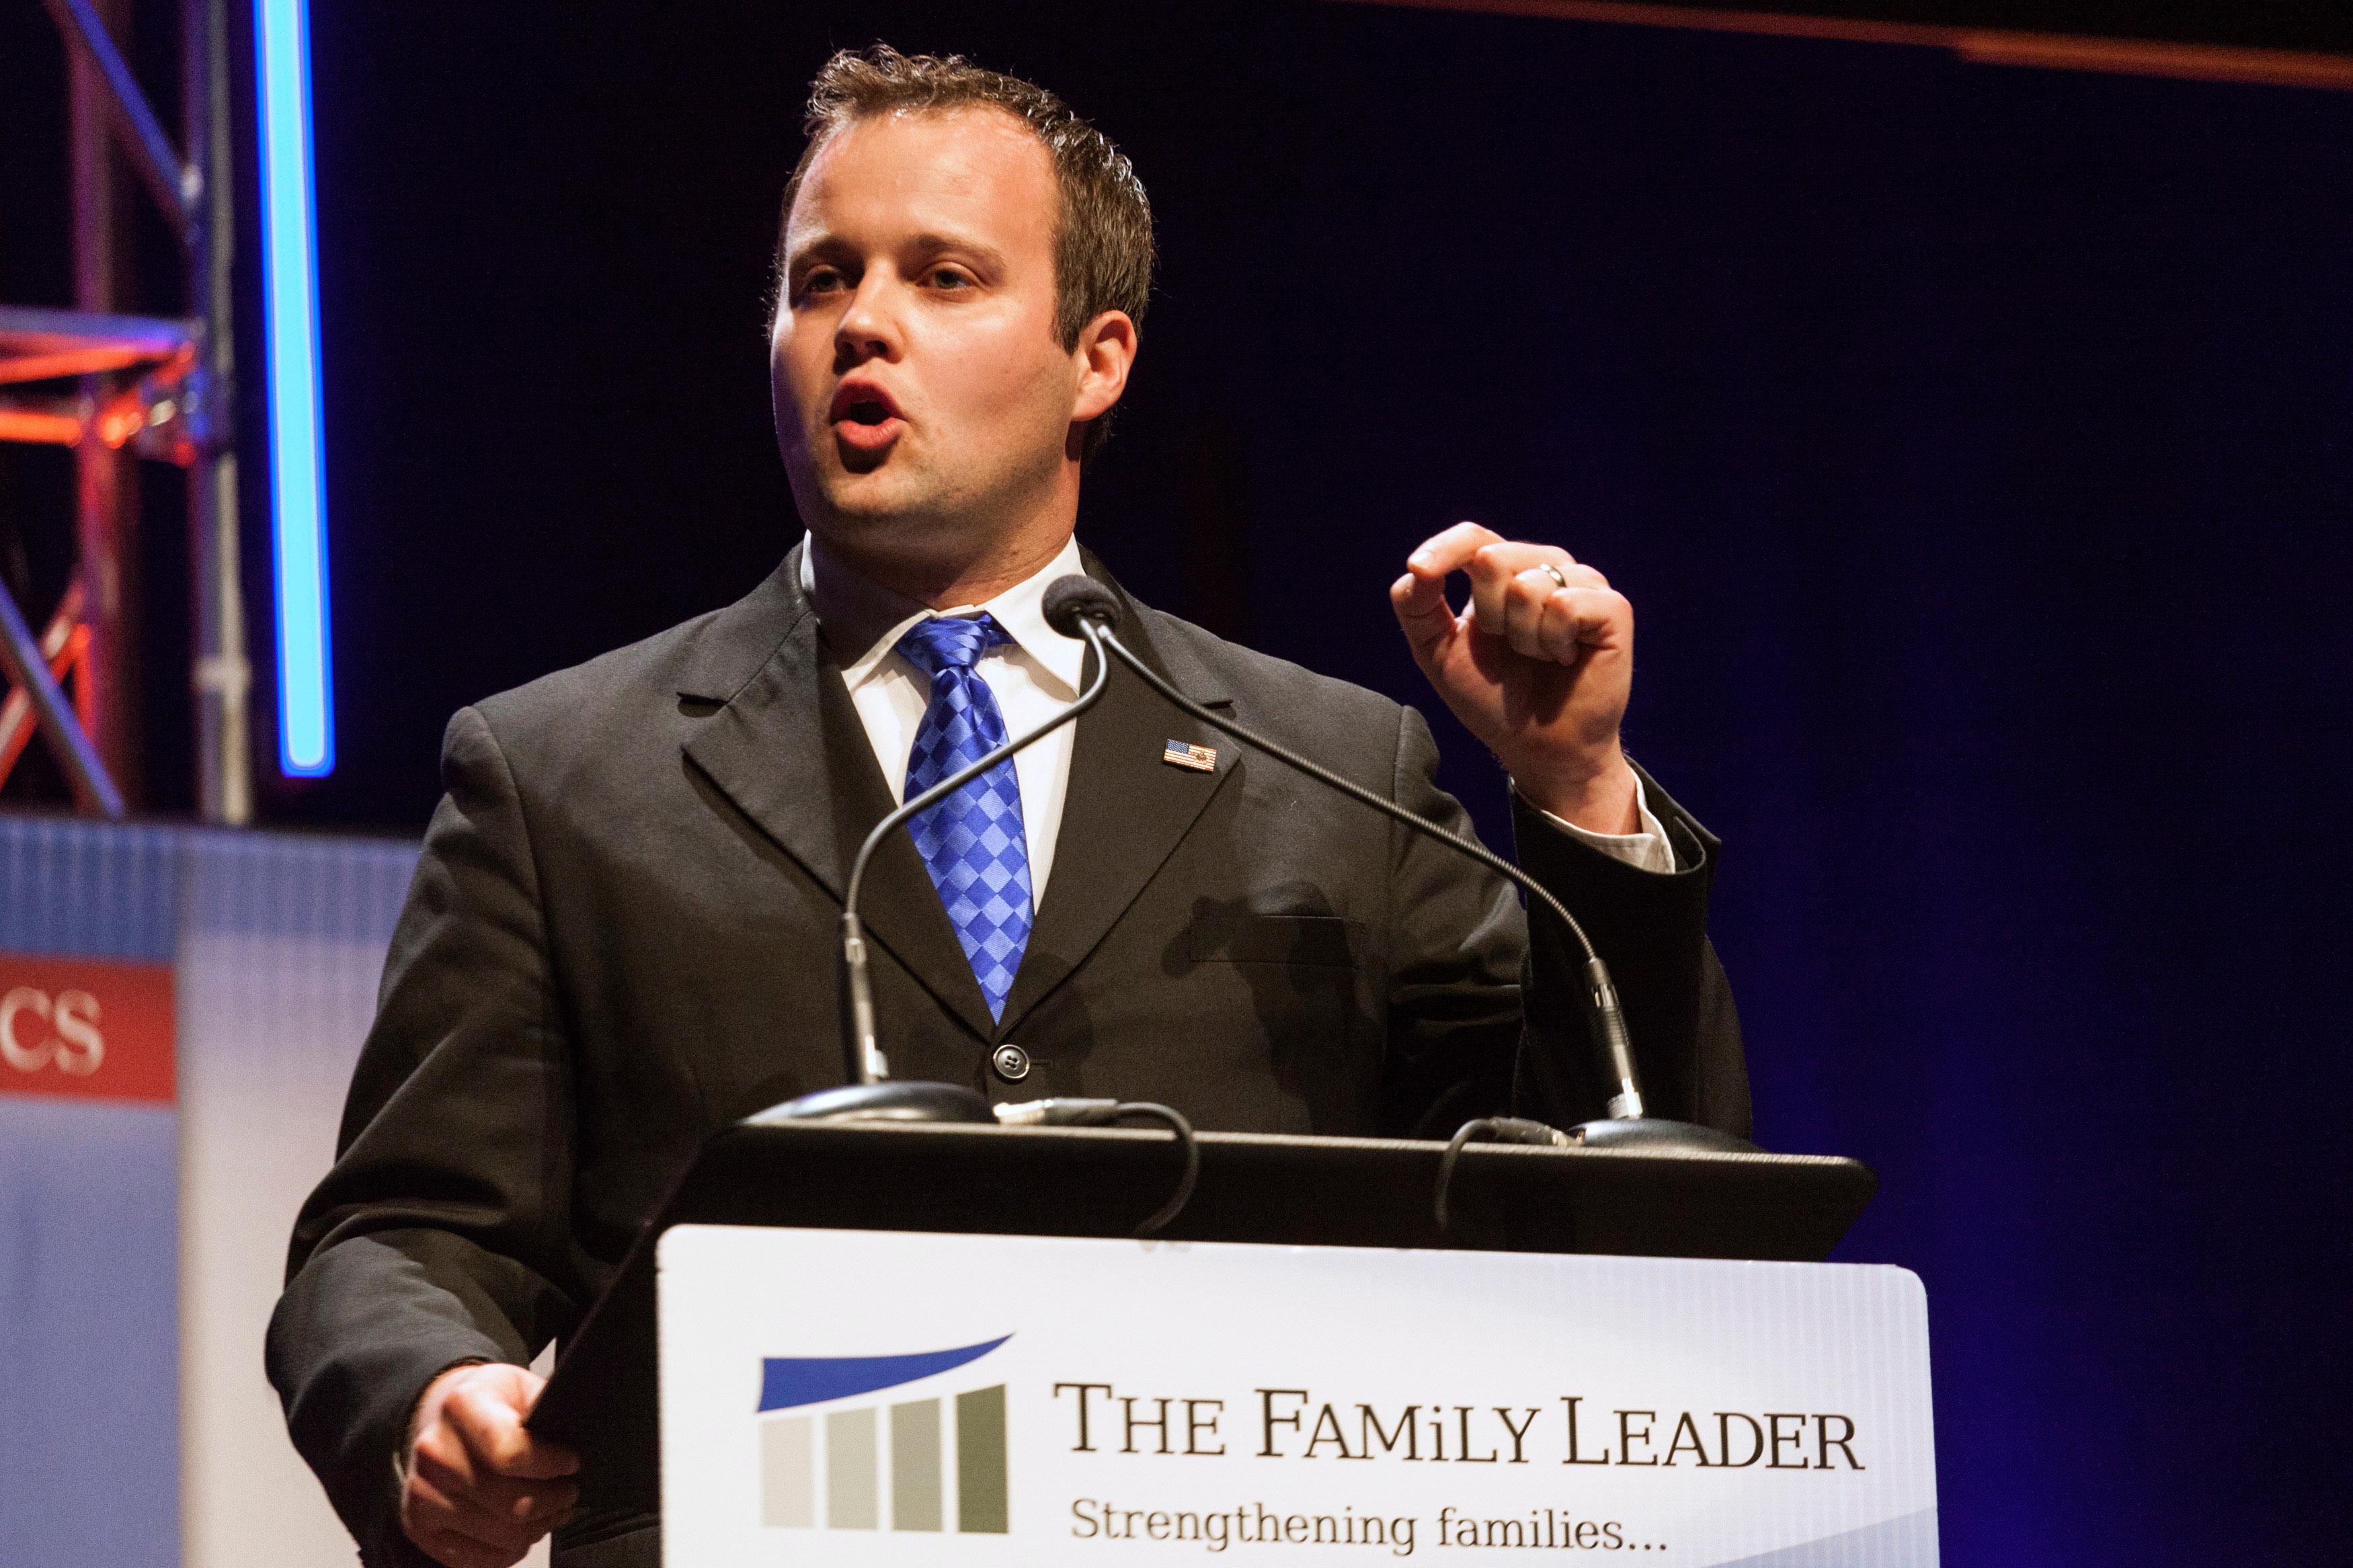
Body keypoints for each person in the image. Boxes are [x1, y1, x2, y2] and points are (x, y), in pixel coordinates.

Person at [268, 46, 1748, 1568]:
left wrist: (1572, 788)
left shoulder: (1335, 768)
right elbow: (396, 1234)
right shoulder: (563, 770)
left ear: (1095, 360)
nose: (863, 326)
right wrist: (430, 1390)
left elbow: (1593, 1194)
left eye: (945, 277)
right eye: (819, 279)